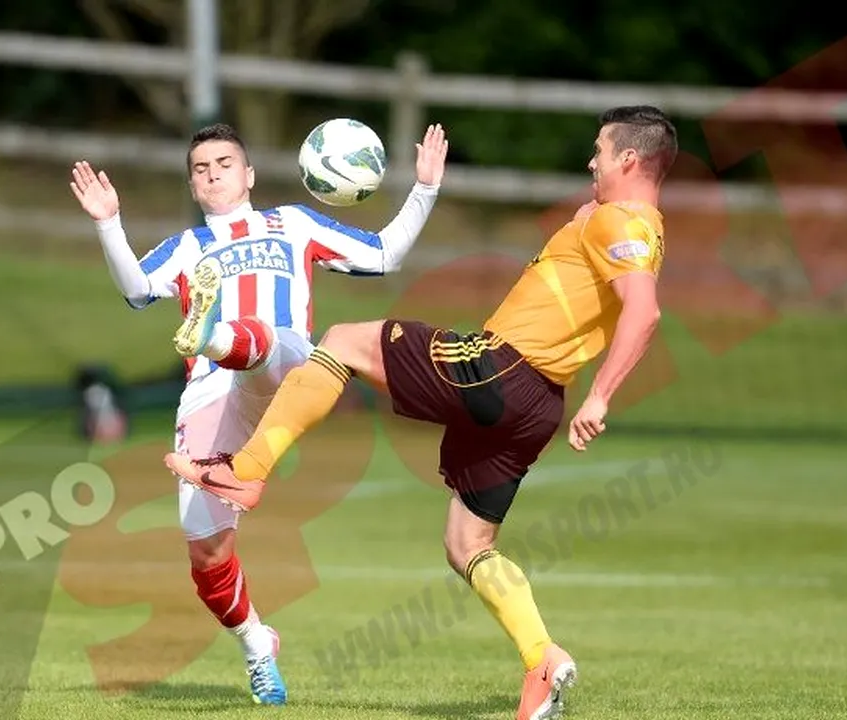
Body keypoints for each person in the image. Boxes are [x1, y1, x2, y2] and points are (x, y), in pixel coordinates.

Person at [166, 106, 678, 720]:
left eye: (599, 150)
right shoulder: (630, 222)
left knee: (343, 341)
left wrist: (604, 396)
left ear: (627, 158)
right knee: (467, 544)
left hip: (503, 369)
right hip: (539, 403)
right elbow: (608, 261)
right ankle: (542, 658)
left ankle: (247, 468)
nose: (591, 161)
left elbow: (643, 312)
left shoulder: (622, 220)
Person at [68, 121, 449, 705]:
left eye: (224, 163)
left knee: (271, 343)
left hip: (290, 367)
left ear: (249, 175)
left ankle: (212, 334)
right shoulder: (189, 246)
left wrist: (424, 189)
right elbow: (138, 289)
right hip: (211, 394)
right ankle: (256, 643)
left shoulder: (294, 223)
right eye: (200, 169)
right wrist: (108, 222)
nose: (212, 173)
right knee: (207, 556)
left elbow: (385, 254)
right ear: (193, 186)